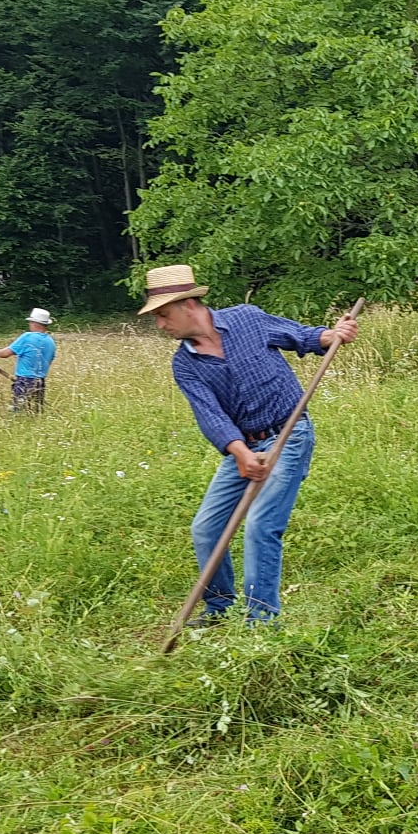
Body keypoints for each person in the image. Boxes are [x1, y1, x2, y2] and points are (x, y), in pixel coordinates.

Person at [137, 264, 358, 626]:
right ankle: (220, 608)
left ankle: (261, 622)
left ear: (189, 305)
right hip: (245, 446)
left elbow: (302, 337)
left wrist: (333, 334)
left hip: (290, 434)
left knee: (260, 523)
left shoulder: (247, 319)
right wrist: (240, 453)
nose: (161, 325)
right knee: (206, 528)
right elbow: (211, 416)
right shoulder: (185, 365)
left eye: (163, 315)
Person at [0, 307, 56, 412]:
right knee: (36, 411)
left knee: (16, 410)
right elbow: (49, 360)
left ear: (35, 323)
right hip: (41, 381)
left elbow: (6, 353)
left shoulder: (27, 337)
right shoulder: (50, 341)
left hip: (24, 381)